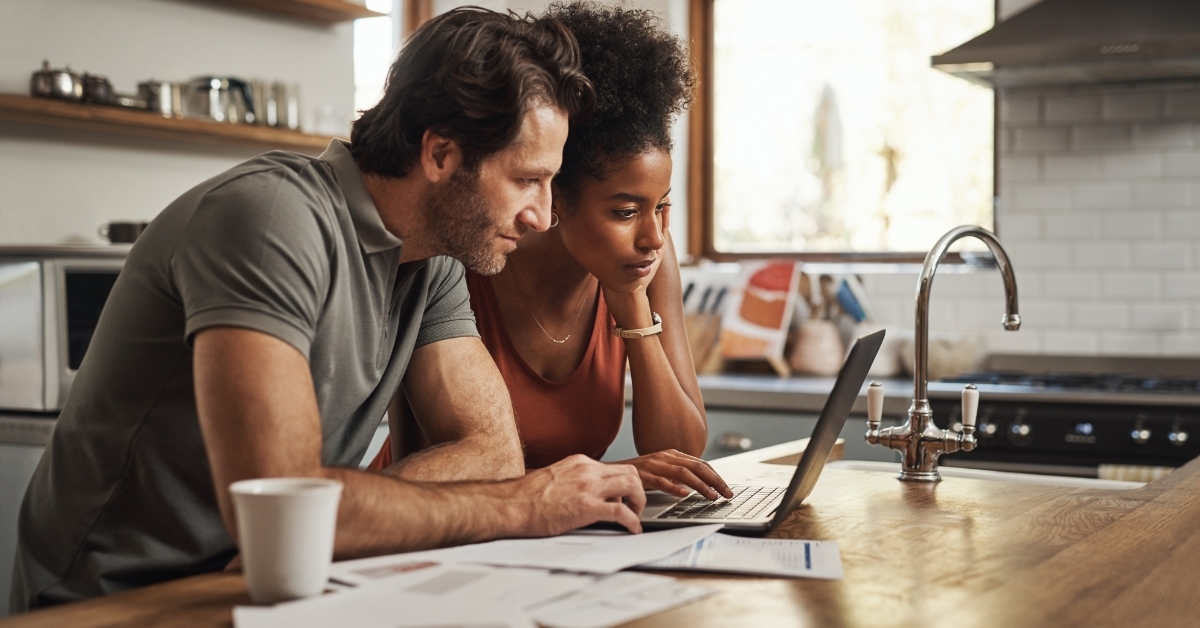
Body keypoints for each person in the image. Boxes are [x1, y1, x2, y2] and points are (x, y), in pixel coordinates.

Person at [10, 8, 648, 613]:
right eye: (526, 179)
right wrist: (521, 506)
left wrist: (333, 519)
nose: (540, 215)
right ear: (441, 155)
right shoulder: (270, 220)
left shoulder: (434, 259)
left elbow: (491, 453)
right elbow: (285, 509)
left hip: (271, 584)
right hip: (119, 601)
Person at [368, 2, 732, 503]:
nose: (653, 236)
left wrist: (630, 308)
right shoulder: (467, 255)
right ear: (556, 193)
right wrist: (612, 476)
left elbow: (682, 452)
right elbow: (440, 460)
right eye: (626, 212)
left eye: (662, 207)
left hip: (557, 529)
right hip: (436, 519)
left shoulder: (644, 262)